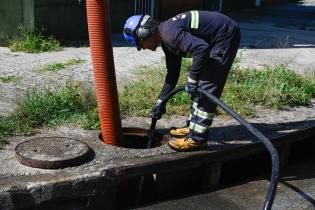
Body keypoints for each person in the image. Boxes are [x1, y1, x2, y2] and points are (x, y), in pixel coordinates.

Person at [123, 10, 241, 151]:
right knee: (198, 84)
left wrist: (192, 79)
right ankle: (192, 126)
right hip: (216, 36)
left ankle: (197, 139)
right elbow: (172, 75)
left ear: (144, 33)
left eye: (140, 44)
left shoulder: (171, 35)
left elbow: (202, 49)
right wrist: (161, 101)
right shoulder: (167, 41)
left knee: (206, 87)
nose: (142, 48)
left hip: (225, 35)